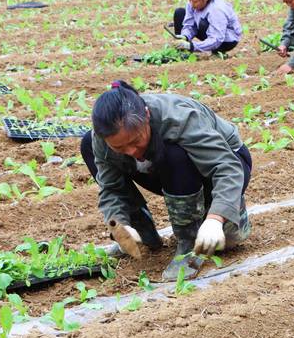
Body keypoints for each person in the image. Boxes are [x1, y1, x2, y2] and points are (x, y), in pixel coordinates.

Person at [81, 81, 252, 281]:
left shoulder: (178, 118)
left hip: (229, 163)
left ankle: (190, 241)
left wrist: (215, 219)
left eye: (136, 141)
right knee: (88, 144)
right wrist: (118, 224)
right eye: (119, 147)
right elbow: (111, 187)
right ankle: (140, 232)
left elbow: (227, 167)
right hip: (164, 168)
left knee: (173, 153)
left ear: (146, 115)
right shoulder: (101, 139)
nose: (131, 152)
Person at [172, 0, 242, 55]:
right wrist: (185, 36)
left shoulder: (216, 9)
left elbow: (217, 39)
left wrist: (191, 46)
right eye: (189, 0)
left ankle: (217, 52)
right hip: (207, 31)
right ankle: (181, 51)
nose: (191, 4)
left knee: (203, 22)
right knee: (180, 13)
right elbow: (189, 25)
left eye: (195, 1)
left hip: (225, 41)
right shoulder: (192, 3)